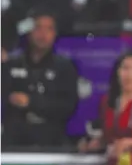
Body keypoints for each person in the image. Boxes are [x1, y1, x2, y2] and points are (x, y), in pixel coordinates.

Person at [2, 10, 79, 148]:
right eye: (38, 27)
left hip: (51, 141)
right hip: (14, 142)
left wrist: (31, 102)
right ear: (29, 31)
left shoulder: (65, 67)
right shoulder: (11, 64)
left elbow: (68, 105)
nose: (43, 34)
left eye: (49, 29)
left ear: (55, 34)